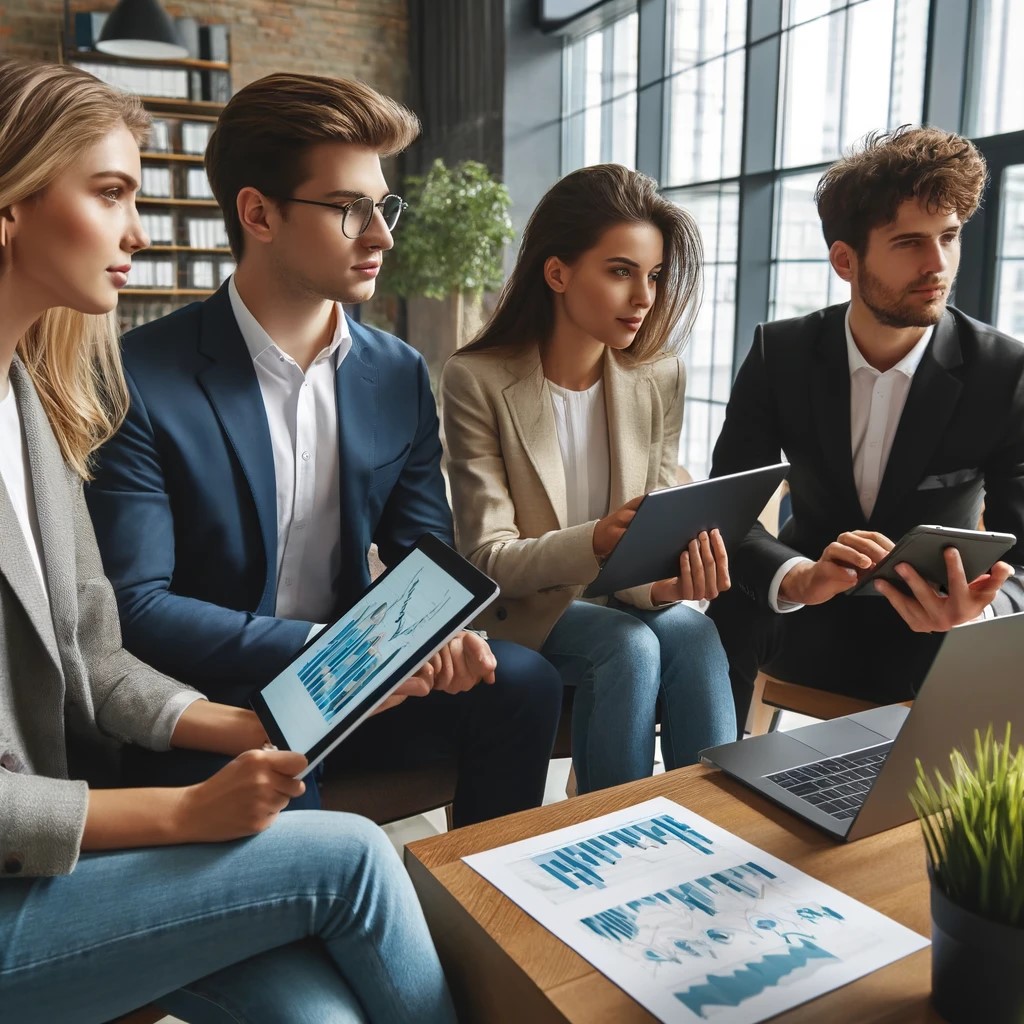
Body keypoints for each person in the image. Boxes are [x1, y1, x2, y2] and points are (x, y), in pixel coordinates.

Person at [0, 58, 455, 1024]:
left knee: (318, 1018)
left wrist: (245, 726)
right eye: (112, 193)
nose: (140, 233)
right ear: (9, 203)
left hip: (63, 845)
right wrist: (178, 814)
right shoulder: (133, 383)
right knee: (359, 859)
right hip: (38, 863)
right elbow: (140, 610)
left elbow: (93, 650)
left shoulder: (30, 406)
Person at [85, 71, 562, 826]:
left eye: (383, 206)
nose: (382, 235)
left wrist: (436, 637)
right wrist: (334, 648)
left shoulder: (396, 372)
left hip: (351, 684)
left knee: (525, 682)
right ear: (258, 214)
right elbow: (137, 610)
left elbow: (420, 553)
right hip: (210, 698)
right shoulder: (137, 377)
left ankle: (481, 913)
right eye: (349, 210)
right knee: (289, 785)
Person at [708, 125, 1024, 730]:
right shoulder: (782, 353)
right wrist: (796, 576)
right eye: (909, 242)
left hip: (937, 625)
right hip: (807, 605)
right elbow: (729, 508)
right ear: (844, 260)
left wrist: (979, 612)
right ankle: (698, 795)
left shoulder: (1003, 371)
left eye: (950, 237)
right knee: (725, 610)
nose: (938, 264)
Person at [440, 164, 736, 795]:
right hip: (523, 614)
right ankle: (610, 840)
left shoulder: (658, 378)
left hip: (619, 603)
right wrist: (595, 541)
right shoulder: (478, 381)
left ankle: (719, 834)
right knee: (626, 647)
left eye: (654, 276)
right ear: (558, 273)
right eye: (621, 271)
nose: (645, 297)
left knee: (694, 630)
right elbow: (487, 561)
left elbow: (648, 543)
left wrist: (666, 582)